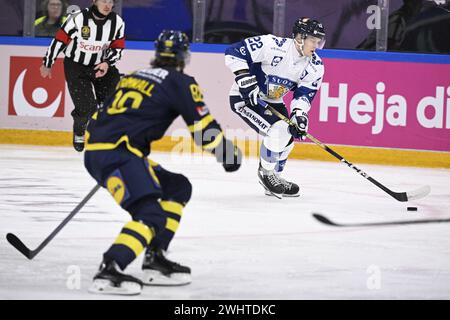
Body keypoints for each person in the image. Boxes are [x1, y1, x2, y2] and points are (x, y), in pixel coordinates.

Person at [84, 30, 242, 295]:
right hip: (118, 154)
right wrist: (226, 154)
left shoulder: (133, 77)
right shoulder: (179, 82)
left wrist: (102, 155)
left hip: (104, 151)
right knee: (151, 215)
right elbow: (202, 127)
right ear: (183, 56)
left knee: (177, 187)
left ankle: (155, 258)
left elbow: (99, 117)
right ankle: (110, 268)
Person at [225, 17, 325, 198]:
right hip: (246, 98)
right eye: (313, 40)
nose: (316, 46)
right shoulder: (272, 45)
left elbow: (304, 94)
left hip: (273, 101)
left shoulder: (315, 66)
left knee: (288, 136)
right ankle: (266, 173)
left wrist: (299, 114)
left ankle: (275, 178)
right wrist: (245, 80)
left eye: (319, 42)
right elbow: (234, 52)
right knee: (279, 130)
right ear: (300, 37)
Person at [40, 0, 124, 152]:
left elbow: (118, 49)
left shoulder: (117, 22)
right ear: (95, 1)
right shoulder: (78, 19)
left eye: (110, 2)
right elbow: (59, 41)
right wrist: (48, 62)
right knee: (86, 107)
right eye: (103, 1)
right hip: (76, 66)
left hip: (101, 66)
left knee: (111, 103)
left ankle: (104, 133)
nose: (107, 5)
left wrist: (107, 63)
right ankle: (79, 130)